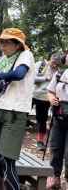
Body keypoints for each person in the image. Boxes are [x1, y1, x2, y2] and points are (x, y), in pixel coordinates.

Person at [0, 28, 35, 190]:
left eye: (6, 42)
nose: (2, 46)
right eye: (1, 42)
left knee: (7, 160)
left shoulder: (26, 56)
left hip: (14, 111)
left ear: (18, 45)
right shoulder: (1, 60)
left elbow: (19, 74)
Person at [46, 53, 68, 189]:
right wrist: (51, 98)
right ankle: (55, 177)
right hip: (58, 117)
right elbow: (50, 91)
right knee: (55, 148)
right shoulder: (60, 73)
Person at [33, 53, 62, 151]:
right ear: (49, 59)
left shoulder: (58, 72)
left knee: (42, 120)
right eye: (53, 63)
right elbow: (31, 79)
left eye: (57, 64)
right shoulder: (40, 65)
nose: (54, 65)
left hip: (45, 98)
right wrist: (45, 78)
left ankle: (40, 142)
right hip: (32, 95)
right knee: (21, 116)